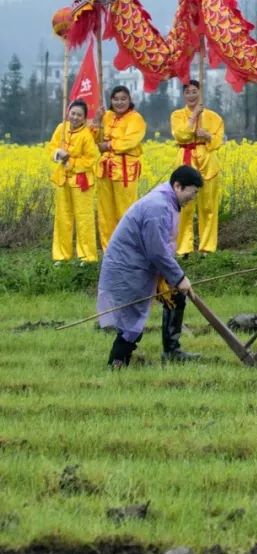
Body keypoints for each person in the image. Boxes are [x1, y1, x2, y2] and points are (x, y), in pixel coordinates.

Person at [99, 165, 203, 367]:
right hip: (129, 267)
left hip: (143, 264)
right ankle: (117, 363)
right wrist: (179, 277)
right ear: (178, 186)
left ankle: (172, 351)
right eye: (193, 192)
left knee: (175, 296)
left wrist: (175, 279)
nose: (193, 197)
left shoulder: (168, 202)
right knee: (132, 319)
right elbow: (157, 250)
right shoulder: (158, 206)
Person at [170, 80, 225, 256]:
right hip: (186, 159)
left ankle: (207, 247)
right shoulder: (177, 115)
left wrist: (208, 136)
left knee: (208, 206)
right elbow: (180, 134)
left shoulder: (213, 117)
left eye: (194, 91)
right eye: (187, 92)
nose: (191, 95)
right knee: (185, 206)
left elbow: (218, 141)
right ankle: (184, 247)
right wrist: (193, 117)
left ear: (200, 92)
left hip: (207, 160)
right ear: (183, 95)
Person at [92, 85, 146, 250]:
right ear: (111, 100)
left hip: (124, 170)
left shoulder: (135, 118)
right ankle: (109, 248)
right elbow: (94, 140)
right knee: (105, 211)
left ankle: (129, 248)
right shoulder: (106, 116)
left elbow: (130, 141)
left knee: (125, 210)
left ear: (130, 100)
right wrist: (96, 121)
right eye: (116, 99)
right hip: (105, 169)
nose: (120, 102)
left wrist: (108, 145)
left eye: (123, 99)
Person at [48, 100, 100, 264]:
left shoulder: (86, 135)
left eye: (79, 115)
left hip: (81, 181)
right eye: (73, 113)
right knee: (62, 217)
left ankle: (87, 257)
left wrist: (70, 161)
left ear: (85, 118)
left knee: (84, 218)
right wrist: (58, 153)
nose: (75, 117)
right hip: (63, 179)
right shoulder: (60, 128)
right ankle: (61, 256)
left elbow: (91, 158)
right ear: (68, 112)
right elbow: (51, 147)